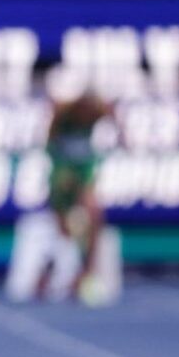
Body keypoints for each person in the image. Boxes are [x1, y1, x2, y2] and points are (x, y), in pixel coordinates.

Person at [46, 92, 109, 305]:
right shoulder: (62, 114)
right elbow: (50, 144)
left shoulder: (99, 113)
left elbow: (113, 112)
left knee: (94, 214)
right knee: (63, 231)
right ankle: (53, 277)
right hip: (62, 173)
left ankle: (88, 274)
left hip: (83, 171)